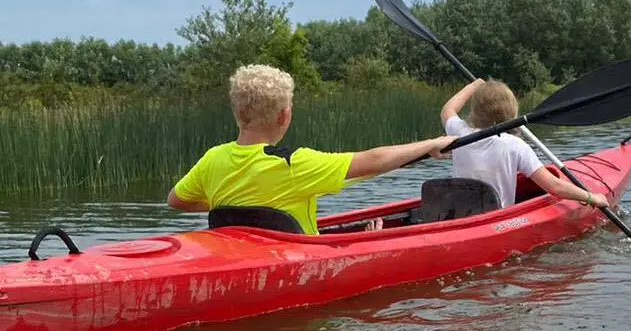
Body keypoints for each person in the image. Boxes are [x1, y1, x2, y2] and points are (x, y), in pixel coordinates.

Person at [167, 64, 455, 235]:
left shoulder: (213, 158)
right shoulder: (295, 164)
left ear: (236, 113)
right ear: (285, 116)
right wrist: (431, 144)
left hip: (245, 259)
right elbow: (375, 159)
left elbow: (176, 201)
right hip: (299, 263)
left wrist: (230, 202)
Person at [440, 78, 610, 210]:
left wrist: (473, 86)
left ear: (475, 110)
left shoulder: (458, 133)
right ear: (511, 111)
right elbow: (554, 186)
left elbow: (448, 109)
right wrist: (591, 197)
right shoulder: (515, 145)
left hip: (463, 216)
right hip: (496, 218)